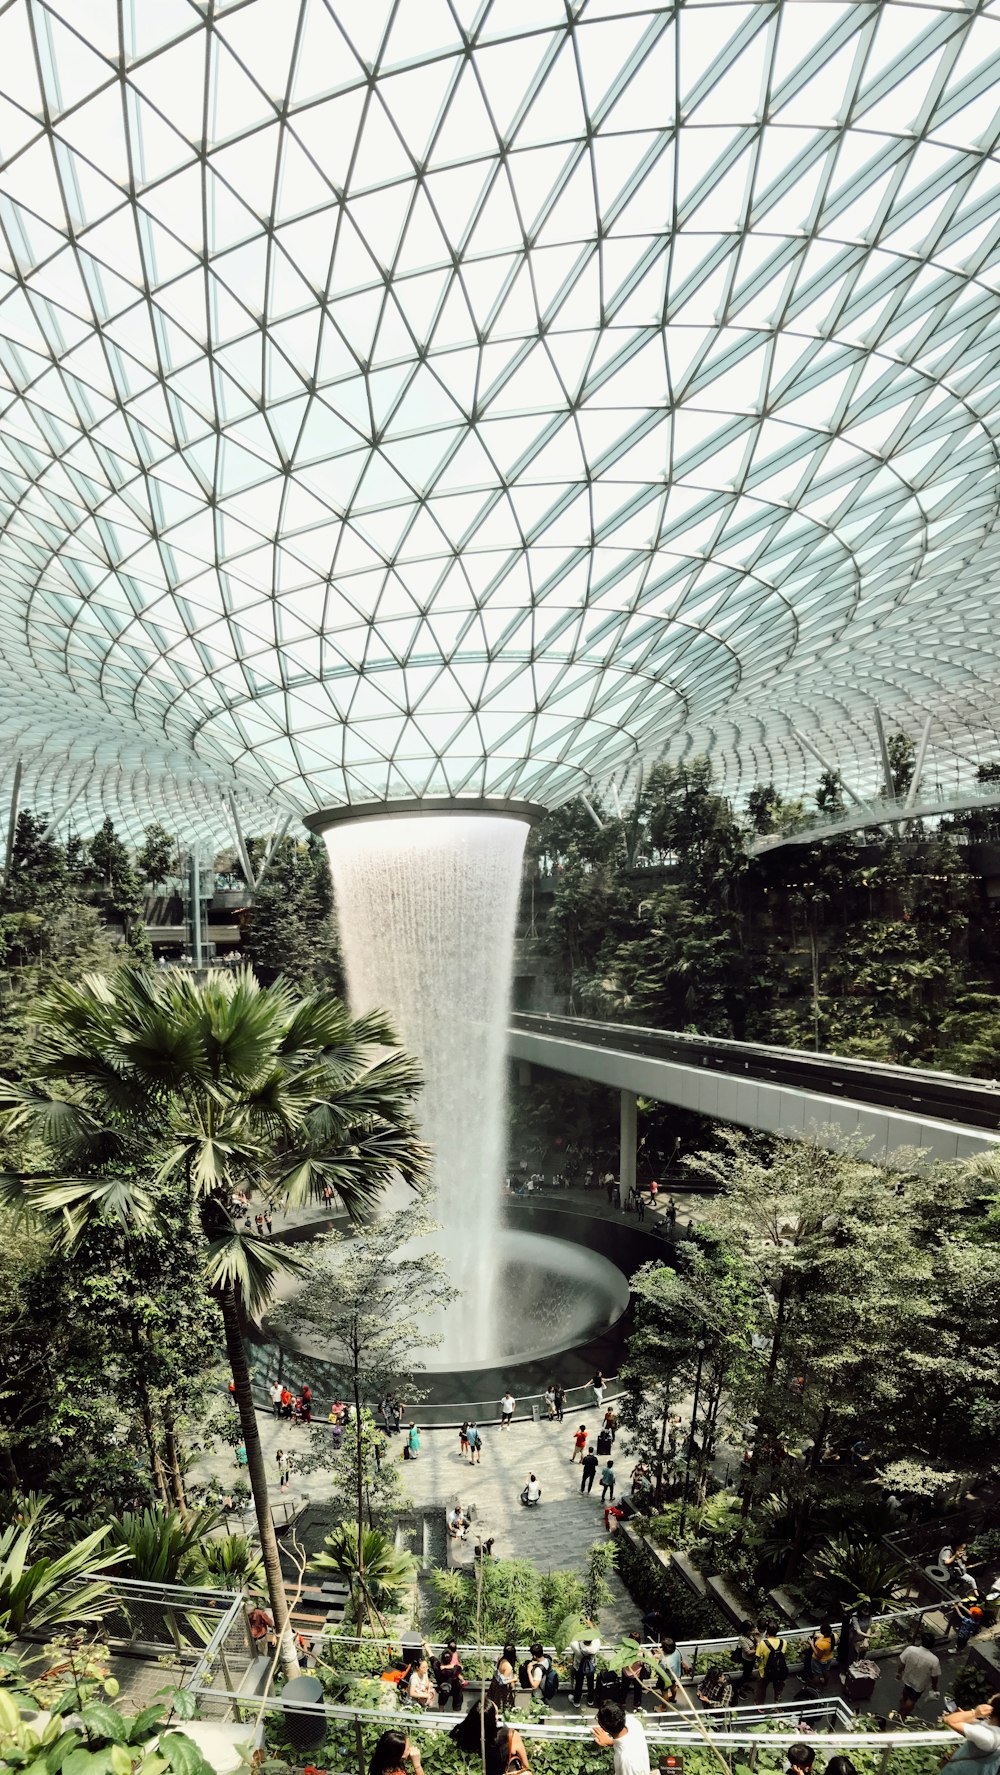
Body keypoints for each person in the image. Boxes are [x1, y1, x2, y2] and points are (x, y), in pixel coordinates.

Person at [451, 1702, 527, 1775]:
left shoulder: (470, 1738)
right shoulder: (510, 1736)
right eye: (496, 1713)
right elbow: (525, 1766)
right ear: (493, 1718)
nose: (498, 1717)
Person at [942, 1696, 1000, 1775]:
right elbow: (974, 1724)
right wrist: (966, 1716)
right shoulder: (992, 1729)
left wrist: (975, 1713)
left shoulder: (988, 1736)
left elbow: (949, 1720)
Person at [592, 1699, 650, 1775]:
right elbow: (630, 1743)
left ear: (604, 1728)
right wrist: (611, 1742)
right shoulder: (634, 1723)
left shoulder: (627, 1762)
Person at [897, 1631, 942, 1717]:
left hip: (908, 1676)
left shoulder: (910, 1649)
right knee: (912, 1699)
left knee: (906, 1690)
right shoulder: (934, 1660)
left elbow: (902, 1663)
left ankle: (902, 1703)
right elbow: (934, 1676)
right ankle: (903, 1714)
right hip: (920, 1683)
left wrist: (899, 1672)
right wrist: (934, 1687)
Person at [754, 1621, 788, 1704]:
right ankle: (777, 1702)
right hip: (779, 1670)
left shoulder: (763, 1643)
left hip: (765, 1671)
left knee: (762, 1688)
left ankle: (760, 1705)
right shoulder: (783, 1642)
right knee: (778, 1688)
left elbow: (758, 1657)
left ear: (767, 1631)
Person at [569, 1624, 602, 1705]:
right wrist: (590, 1624)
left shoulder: (576, 1645)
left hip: (579, 1667)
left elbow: (572, 1638)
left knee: (578, 1684)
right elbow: (597, 1634)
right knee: (590, 1684)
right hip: (591, 1667)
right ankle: (590, 1700)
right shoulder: (596, 1645)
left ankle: (576, 1701)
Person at [489, 1644, 518, 1714]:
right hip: (501, 1690)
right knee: (503, 1708)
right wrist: (514, 1679)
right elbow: (502, 1682)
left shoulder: (501, 1659)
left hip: (494, 1684)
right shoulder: (508, 1666)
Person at [436, 1642, 465, 1712]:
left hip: (447, 1683)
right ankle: (454, 1711)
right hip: (453, 1680)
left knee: (444, 1697)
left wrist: (443, 1667)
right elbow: (458, 1667)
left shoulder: (449, 1655)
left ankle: (441, 1712)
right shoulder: (453, 1655)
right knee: (456, 1696)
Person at [805, 1620, 835, 1685]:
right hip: (829, 1658)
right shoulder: (833, 1636)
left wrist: (812, 1644)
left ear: (825, 1633)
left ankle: (814, 1684)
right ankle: (825, 1683)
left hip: (819, 1660)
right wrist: (819, 1636)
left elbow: (818, 1655)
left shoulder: (822, 1644)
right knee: (826, 1670)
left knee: (817, 1674)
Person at [735, 1621, 758, 1694]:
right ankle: (738, 1687)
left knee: (748, 1673)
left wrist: (755, 1637)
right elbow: (748, 1652)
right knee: (746, 1674)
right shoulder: (742, 1639)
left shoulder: (751, 1636)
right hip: (747, 1660)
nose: (752, 1632)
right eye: (751, 1630)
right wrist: (758, 1649)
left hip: (752, 1659)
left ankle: (744, 1685)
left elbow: (757, 1641)